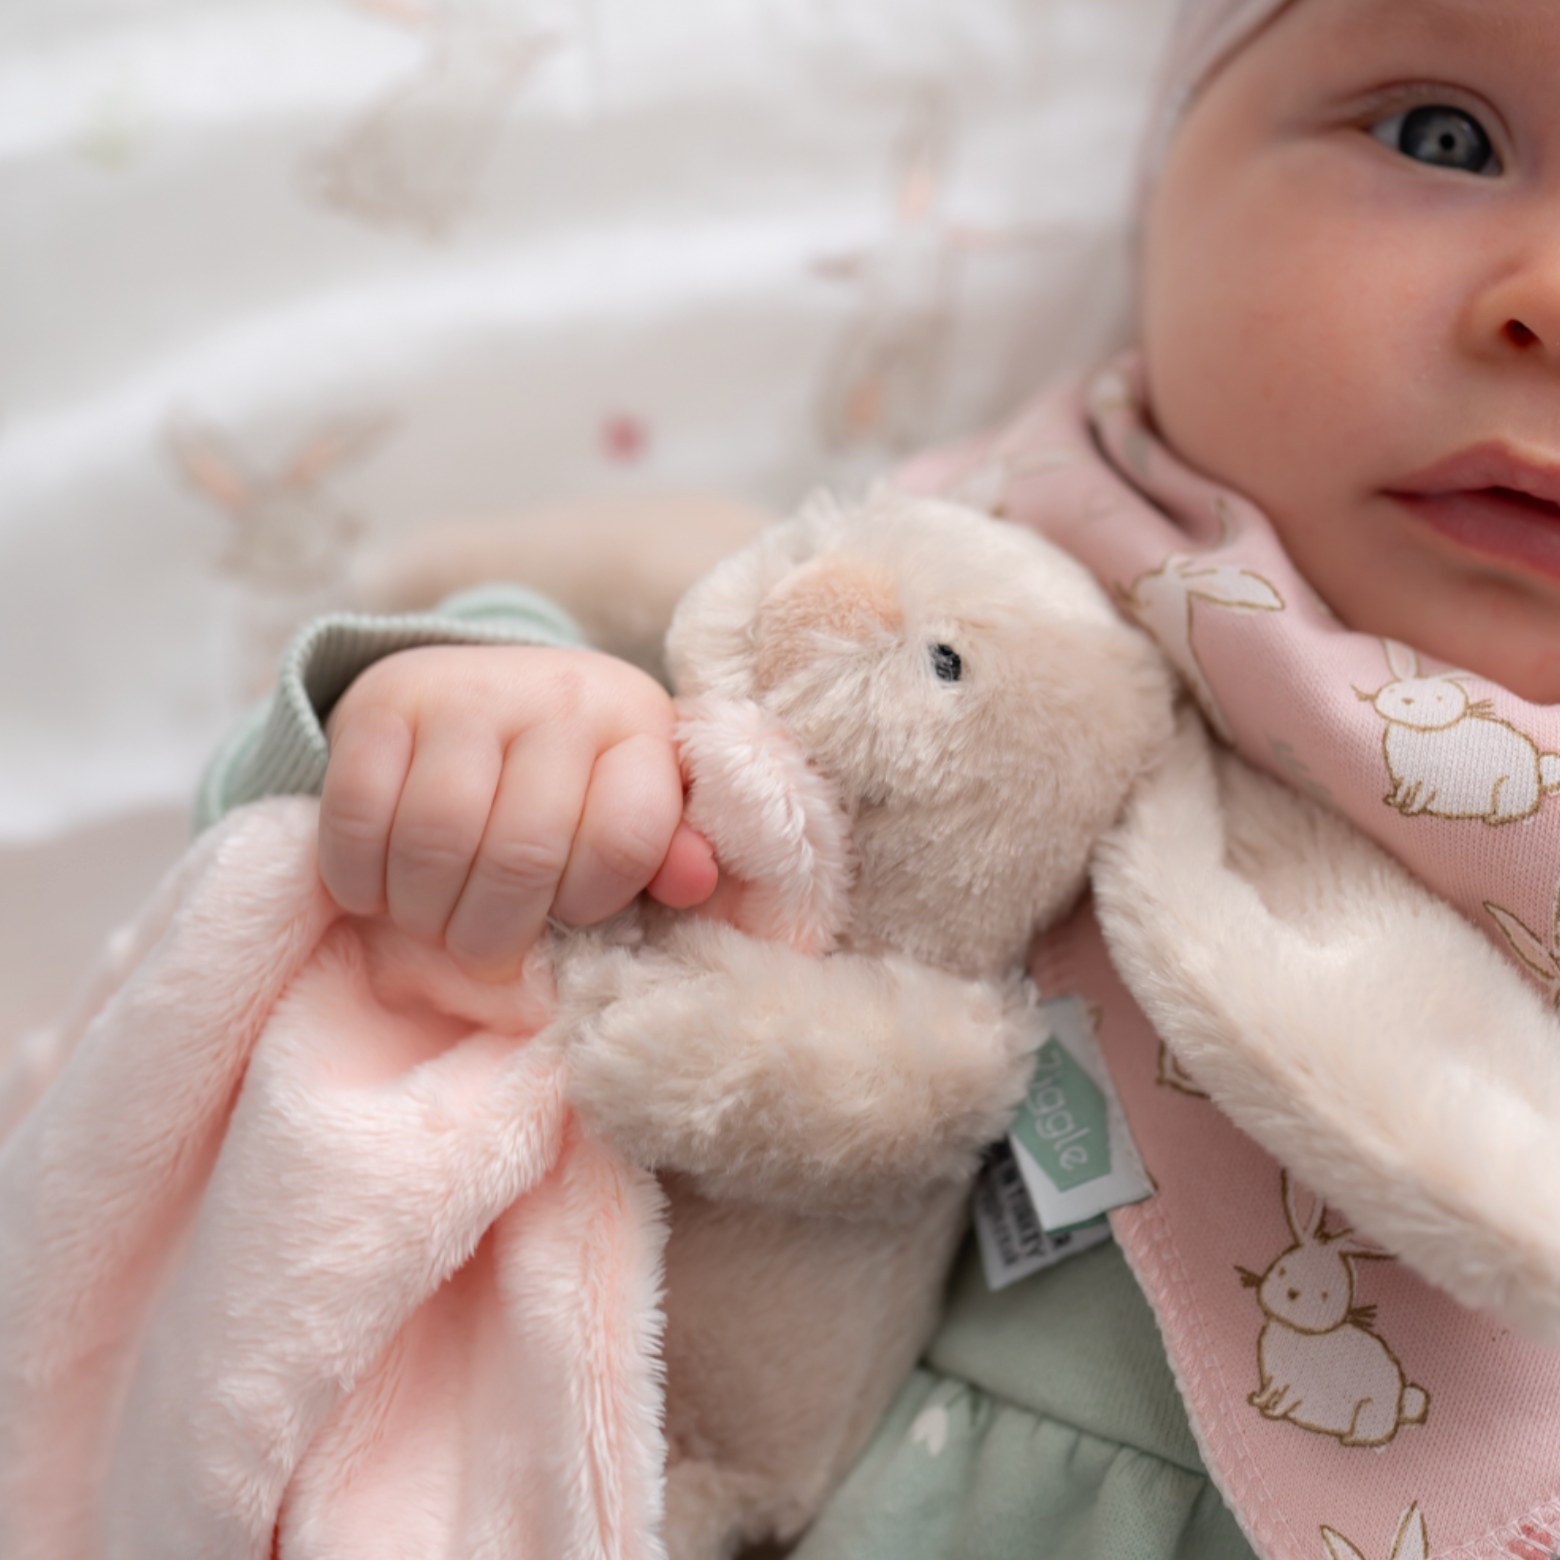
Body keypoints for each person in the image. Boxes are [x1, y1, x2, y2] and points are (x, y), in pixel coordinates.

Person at [201, 0, 1560, 1554]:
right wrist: (474, 727)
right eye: (1438, 136)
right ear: (1163, 181)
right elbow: (263, 929)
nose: (1546, 298)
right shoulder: (954, 605)